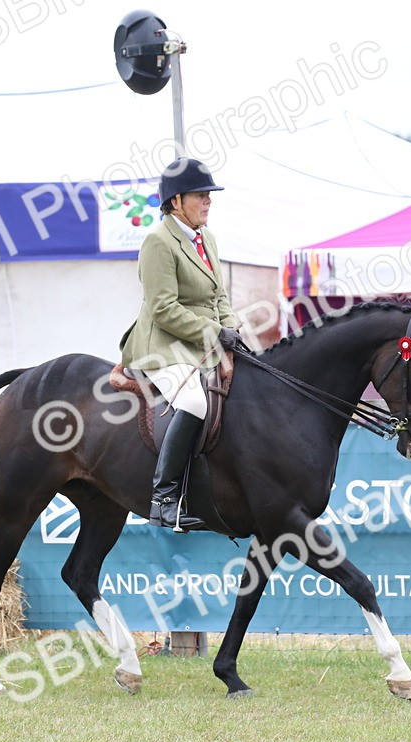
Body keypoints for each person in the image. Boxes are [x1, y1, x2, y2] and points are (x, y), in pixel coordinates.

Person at [119, 157, 244, 531]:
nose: (208, 201)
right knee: (193, 401)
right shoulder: (158, 242)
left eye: (209, 195)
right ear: (175, 201)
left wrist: (231, 330)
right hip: (163, 346)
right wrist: (214, 332)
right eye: (200, 195)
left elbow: (219, 296)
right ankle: (164, 499)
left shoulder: (207, 238)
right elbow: (163, 309)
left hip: (203, 343)